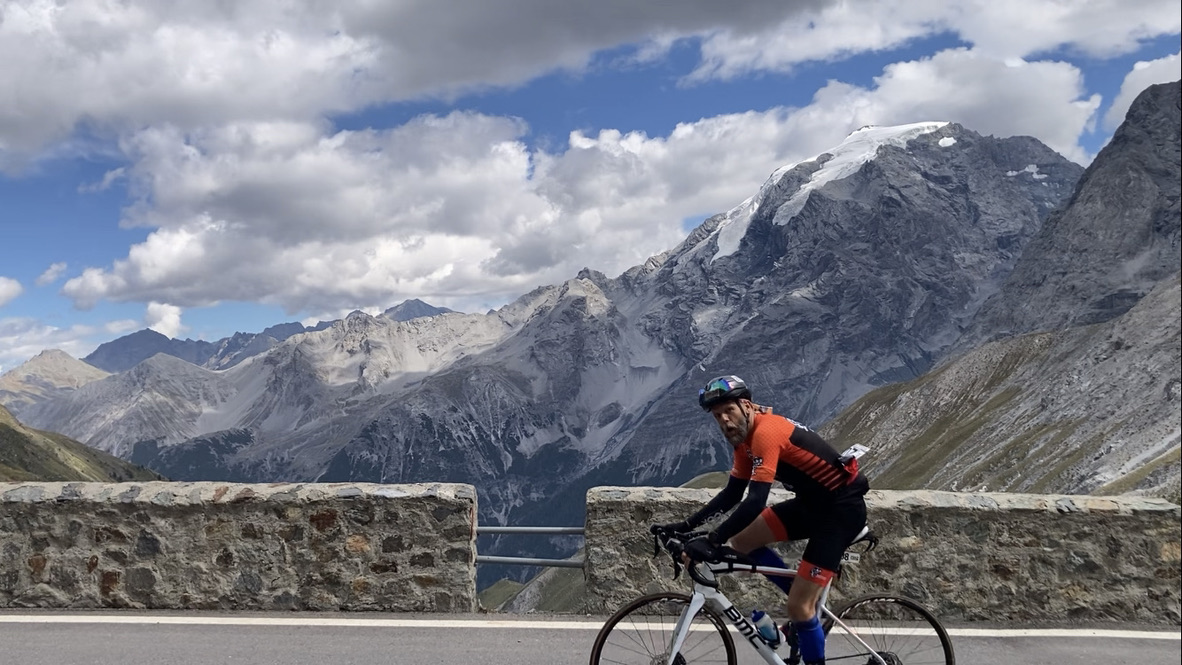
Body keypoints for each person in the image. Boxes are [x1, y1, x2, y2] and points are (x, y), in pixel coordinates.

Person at [653, 375, 870, 665]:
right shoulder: (743, 443)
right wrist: (686, 527)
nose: (724, 421)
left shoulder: (767, 433)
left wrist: (713, 539)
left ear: (746, 406)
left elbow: (755, 501)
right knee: (742, 542)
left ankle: (802, 613)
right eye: (717, 416)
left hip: (841, 511)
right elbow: (732, 494)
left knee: (800, 608)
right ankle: (800, 613)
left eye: (728, 411)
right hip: (812, 505)